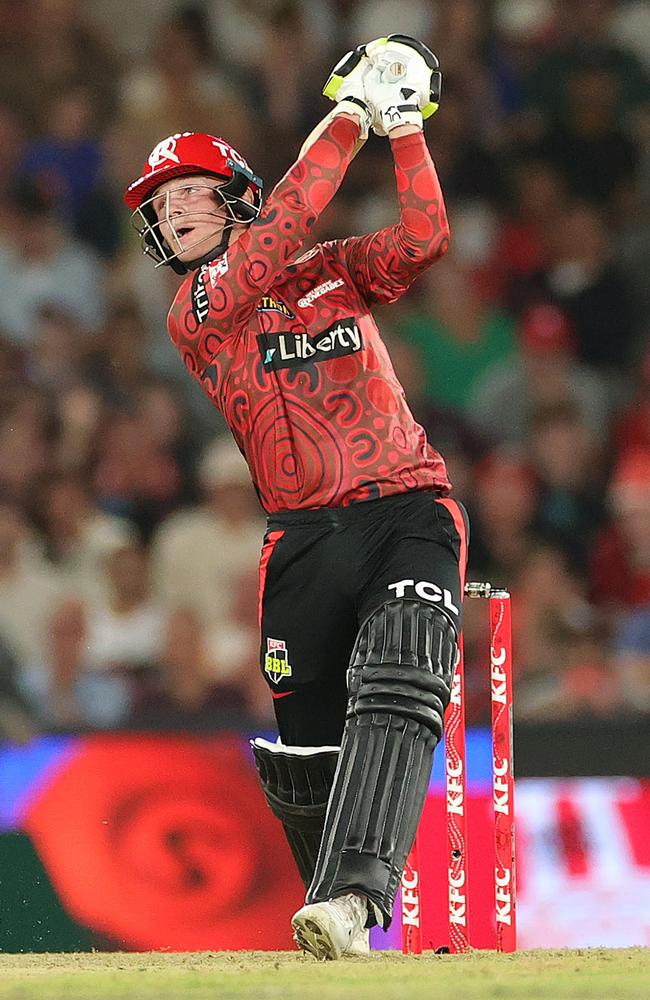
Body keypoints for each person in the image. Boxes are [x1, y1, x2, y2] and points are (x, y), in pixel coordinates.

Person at [124, 35, 466, 961]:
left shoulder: (332, 272)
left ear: (233, 197)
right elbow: (277, 234)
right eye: (161, 205)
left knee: (401, 677)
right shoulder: (197, 307)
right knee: (307, 756)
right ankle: (346, 931)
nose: (173, 214)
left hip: (406, 509)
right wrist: (351, 113)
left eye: (189, 193)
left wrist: (402, 128)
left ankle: (356, 900)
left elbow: (426, 239)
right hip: (303, 539)